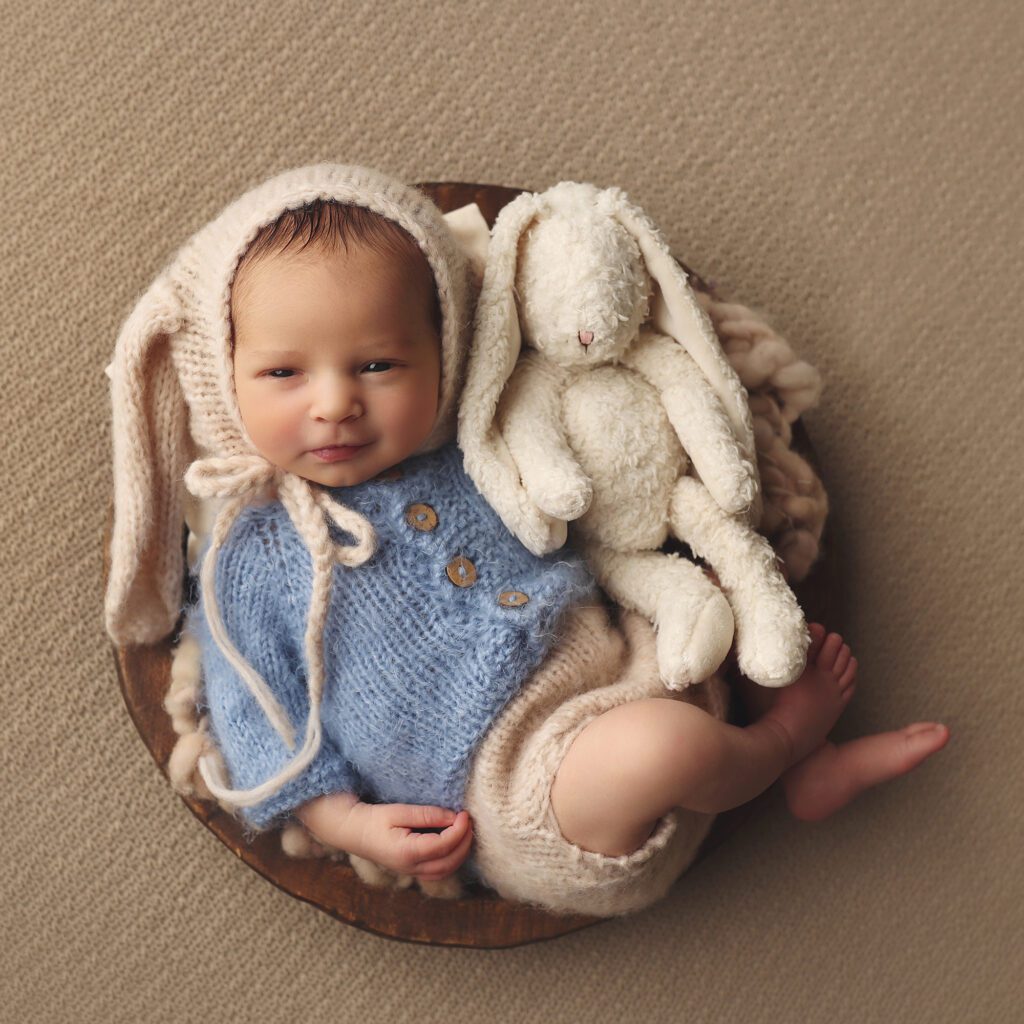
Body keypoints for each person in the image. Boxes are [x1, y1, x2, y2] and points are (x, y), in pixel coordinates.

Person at [105, 164, 949, 918]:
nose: (334, 404)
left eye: (376, 366)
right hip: (518, 793)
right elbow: (254, 710)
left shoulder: (480, 443)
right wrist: (345, 820)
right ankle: (783, 749)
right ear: (224, 380)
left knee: (740, 590)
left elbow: (608, 494)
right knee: (662, 749)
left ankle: (810, 768)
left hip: (630, 658)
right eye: (285, 373)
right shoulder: (251, 555)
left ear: (444, 351)